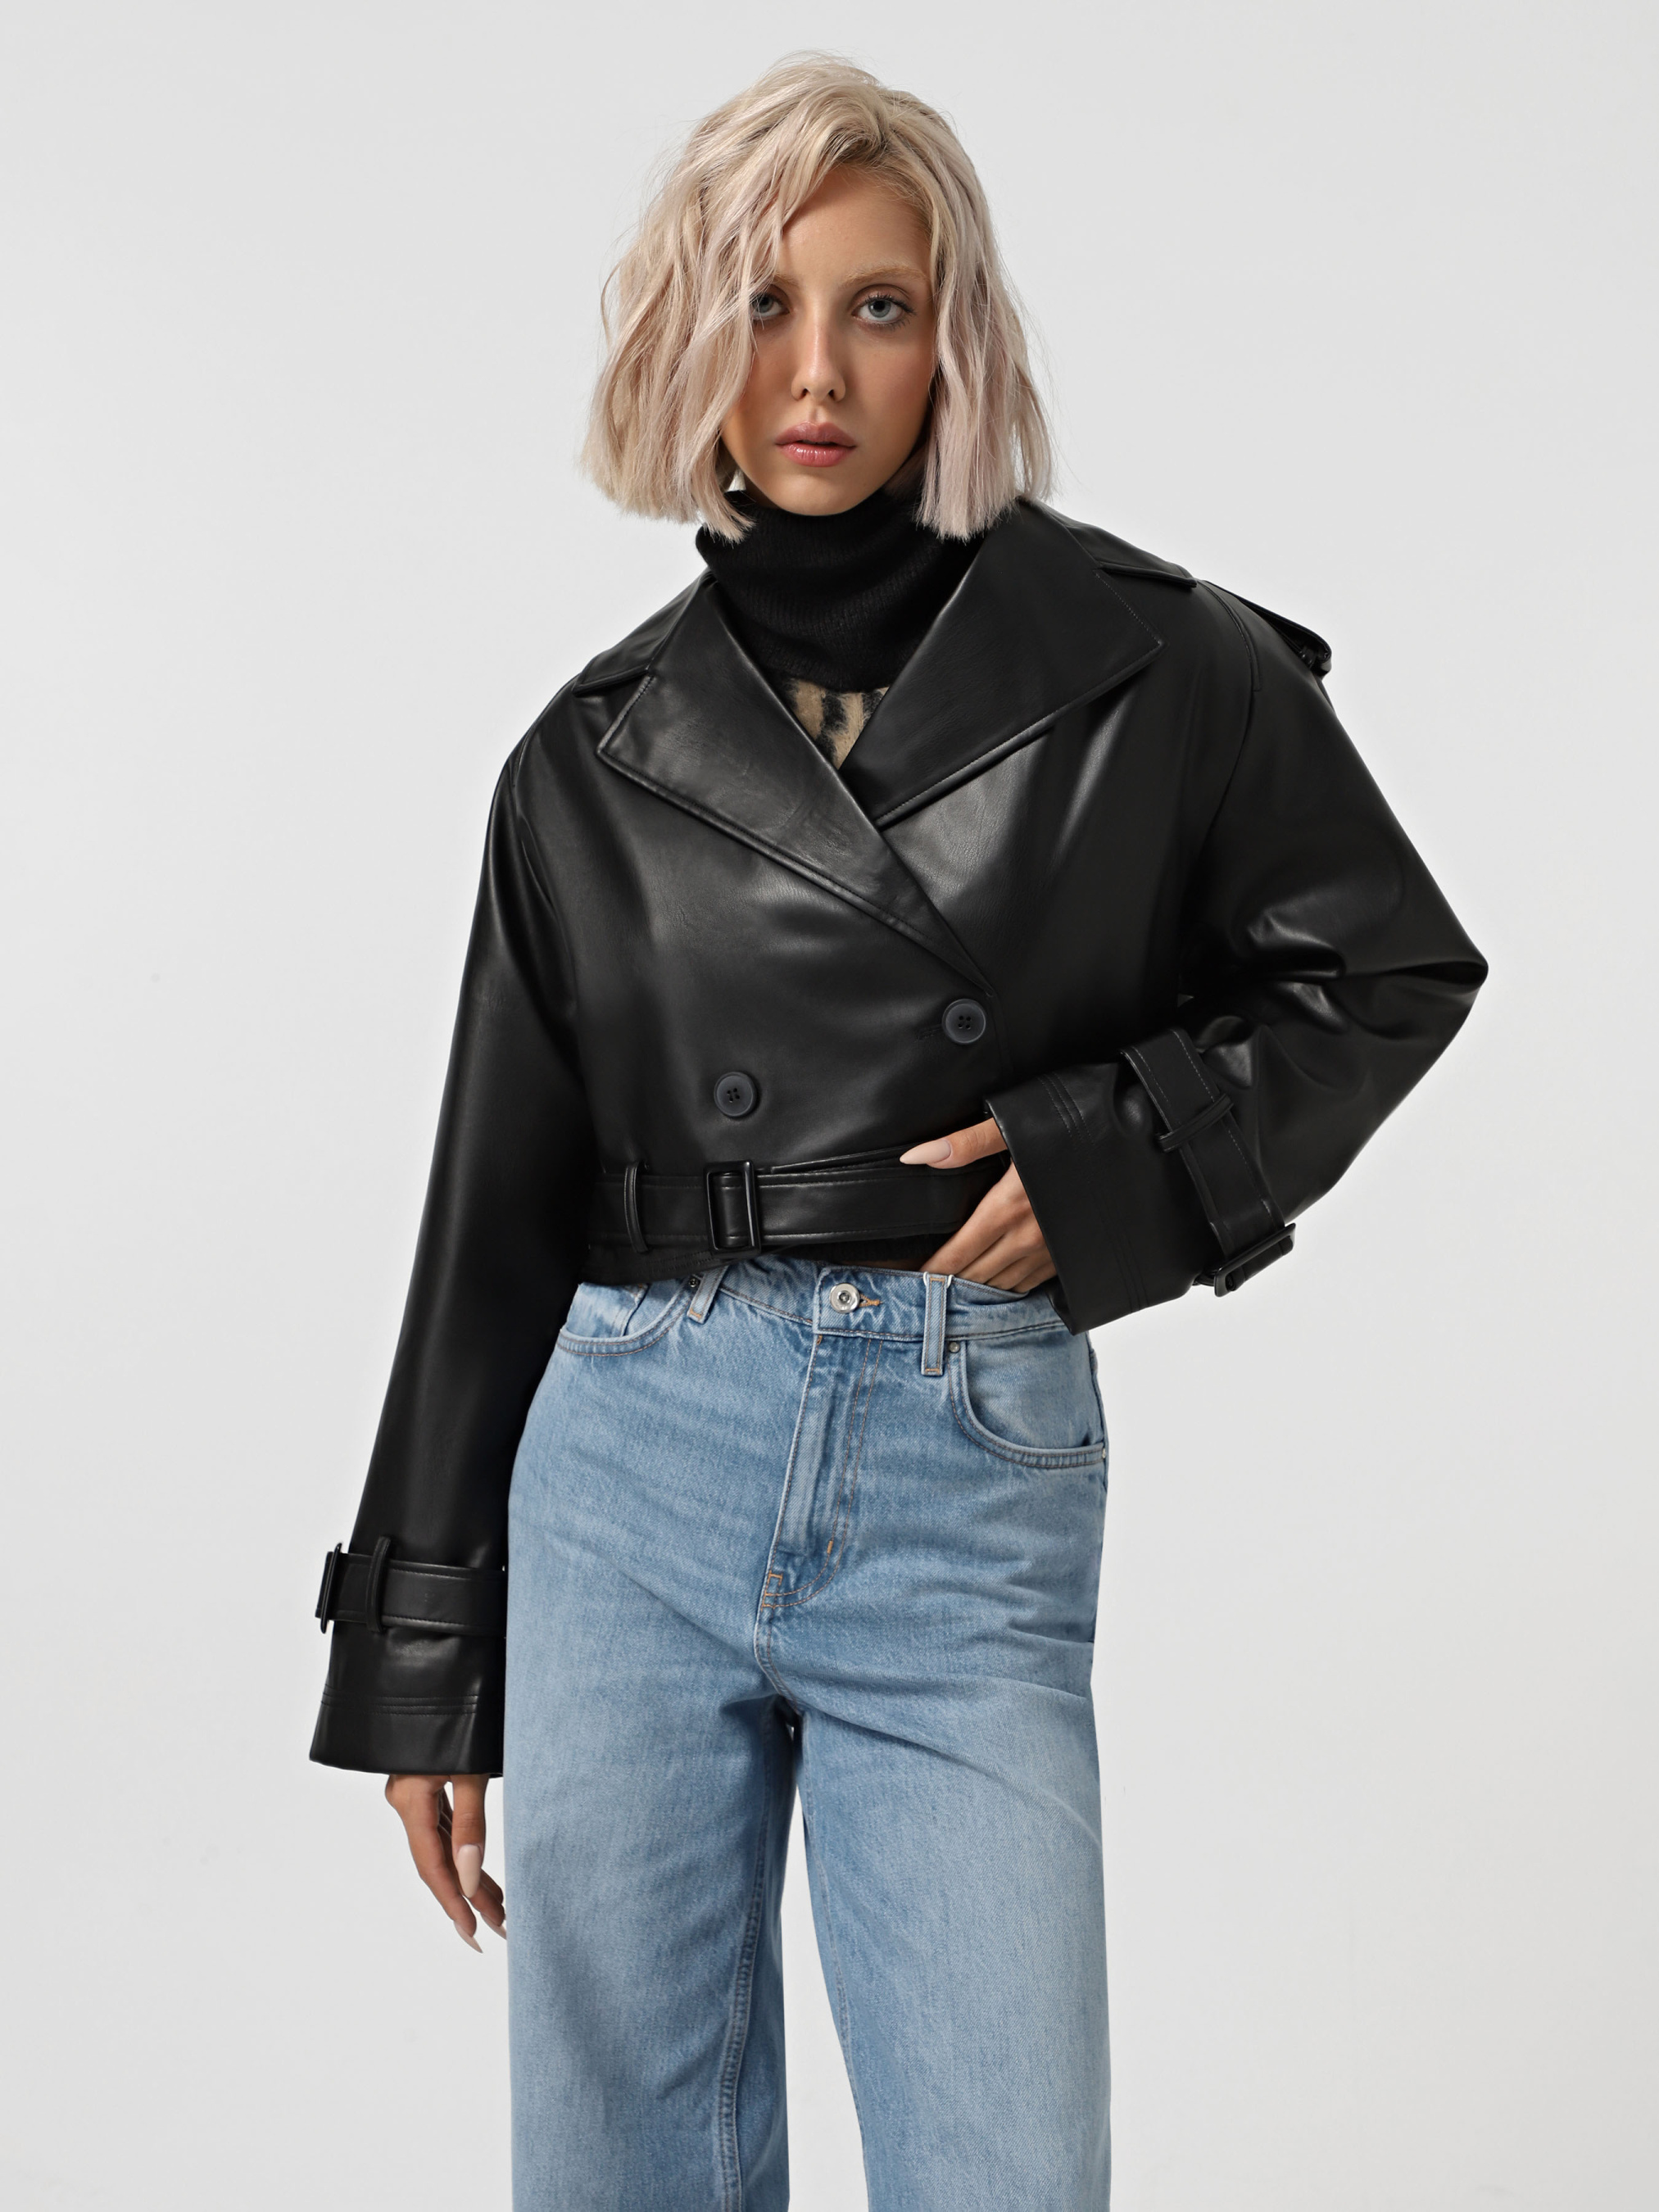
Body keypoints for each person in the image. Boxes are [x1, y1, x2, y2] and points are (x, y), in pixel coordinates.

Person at [310, 55, 1485, 2211]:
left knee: (1004, 2164)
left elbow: (1385, 969)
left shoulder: (1159, 665)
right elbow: (491, 1216)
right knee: (623, 2168)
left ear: (957, 338)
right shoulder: (583, 758)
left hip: (962, 1450)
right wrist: (421, 1658)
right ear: (685, 336)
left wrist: (1117, 1164)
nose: (816, 371)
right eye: (760, 304)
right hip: (624, 1467)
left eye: (878, 305)